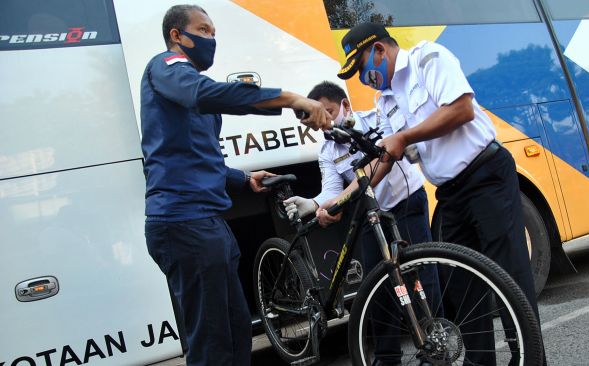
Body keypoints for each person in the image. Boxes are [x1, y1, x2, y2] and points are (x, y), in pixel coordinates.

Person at [335, 22, 545, 365]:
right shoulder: (384, 101)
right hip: (449, 193)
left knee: (511, 278)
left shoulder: (427, 59)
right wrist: (342, 199)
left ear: (378, 50)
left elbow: (460, 109)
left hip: (486, 174)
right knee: (462, 288)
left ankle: (531, 360)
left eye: (362, 67)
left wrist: (404, 138)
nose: (363, 77)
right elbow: (385, 159)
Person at [139, 5, 329, 366]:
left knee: (236, 329)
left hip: (206, 222)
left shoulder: (194, 97)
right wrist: (290, 98)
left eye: (214, 32)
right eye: (203, 30)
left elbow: (194, 157)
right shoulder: (167, 68)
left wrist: (242, 178)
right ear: (177, 36)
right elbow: (209, 94)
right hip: (184, 223)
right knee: (212, 343)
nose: (211, 39)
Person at [283, 81, 440, 365]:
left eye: (330, 111)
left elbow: (385, 160)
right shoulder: (327, 152)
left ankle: (434, 344)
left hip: (407, 202)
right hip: (372, 213)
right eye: (321, 117)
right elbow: (332, 190)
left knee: (421, 276)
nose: (326, 121)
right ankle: (386, 357)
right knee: (378, 287)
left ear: (345, 105)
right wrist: (315, 204)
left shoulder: (377, 119)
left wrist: (342, 198)